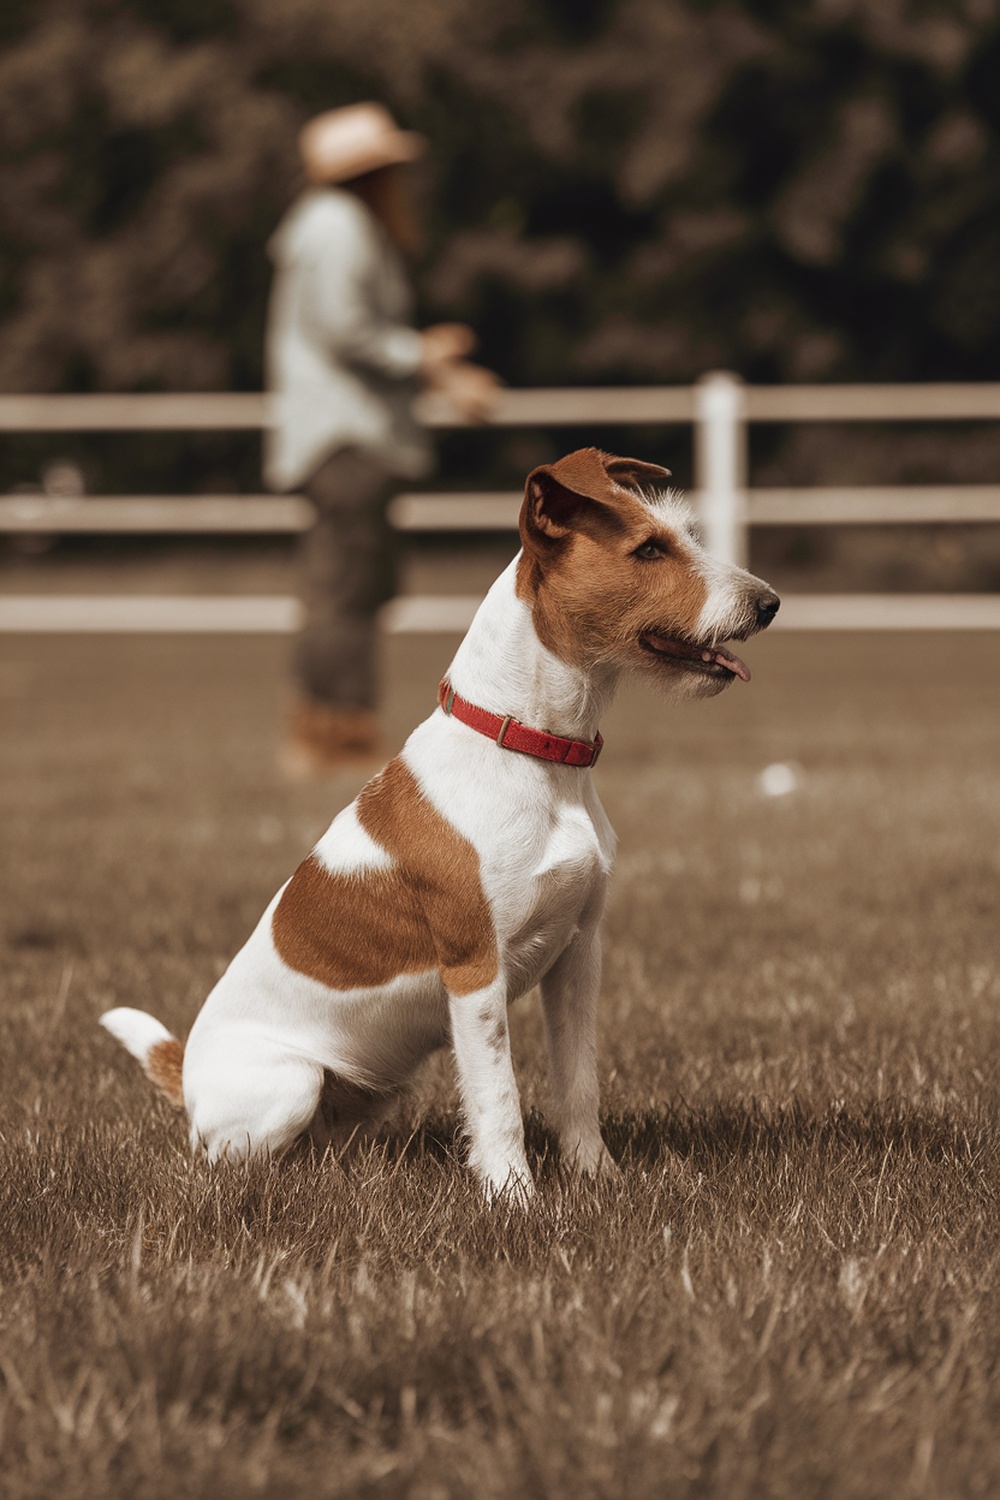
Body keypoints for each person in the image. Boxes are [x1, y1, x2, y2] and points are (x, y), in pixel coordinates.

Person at [264, 102, 497, 776]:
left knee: (342, 584)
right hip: (349, 437)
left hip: (335, 435)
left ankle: (322, 727)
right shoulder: (341, 227)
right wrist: (426, 356)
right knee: (348, 587)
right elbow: (348, 332)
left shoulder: (322, 225)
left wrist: (438, 374)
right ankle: (338, 731)